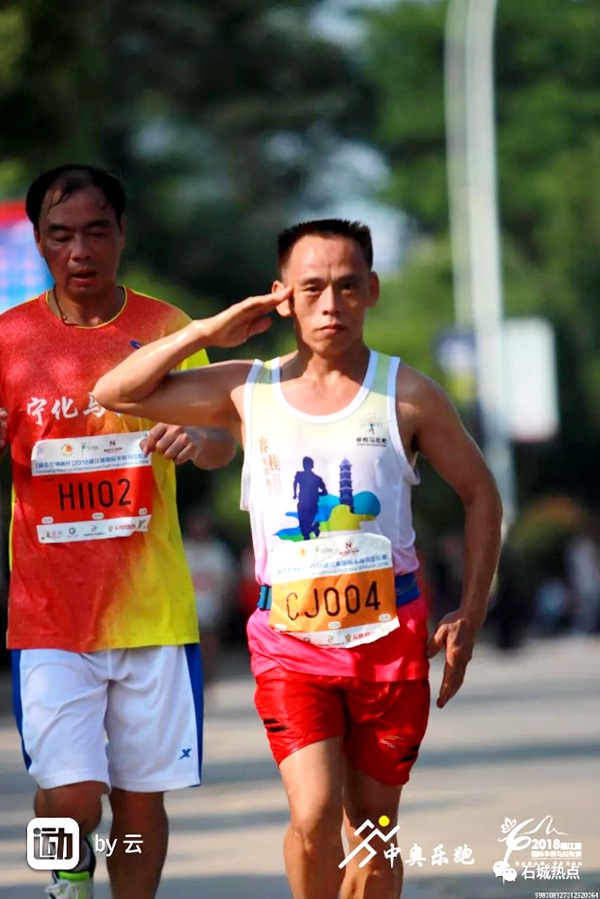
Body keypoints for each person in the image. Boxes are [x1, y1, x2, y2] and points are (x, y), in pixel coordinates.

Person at [94, 218, 503, 899]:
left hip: (388, 641)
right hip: (291, 643)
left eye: (347, 286)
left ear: (372, 289)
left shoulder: (408, 394)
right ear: (283, 296)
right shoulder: (246, 389)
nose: (330, 305)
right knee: (312, 815)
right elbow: (115, 391)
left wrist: (472, 612)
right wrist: (208, 330)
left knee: (373, 829)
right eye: (311, 288)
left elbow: (482, 494)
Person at [0, 164, 235, 899]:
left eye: (96, 231)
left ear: (121, 234)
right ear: (40, 242)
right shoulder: (8, 340)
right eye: (61, 234)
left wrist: (197, 440)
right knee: (69, 794)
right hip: (48, 616)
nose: (80, 250)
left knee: (138, 804)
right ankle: (65, 878)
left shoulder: (166, 329)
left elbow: (223, 438)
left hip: (151, 612)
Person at [182, 505, 237, 686]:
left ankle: (207, 676)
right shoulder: (182, 549)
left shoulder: (218, 552)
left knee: (208, 644)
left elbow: (227, 580)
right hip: (186, 610)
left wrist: (225, 605)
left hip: (211, 609)